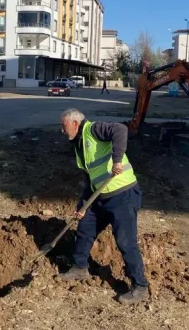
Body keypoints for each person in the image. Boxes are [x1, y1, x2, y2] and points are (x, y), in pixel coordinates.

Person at [58, 108, 148, 304]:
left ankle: (140, 287)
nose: (62, 131)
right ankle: (80, 267)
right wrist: (83, 205)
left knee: (125, 241)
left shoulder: (93, 130)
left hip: (122, 194)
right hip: (99, 196)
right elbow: (91, 178)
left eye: (64, 126)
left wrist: (117, 160)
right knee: (85, 228)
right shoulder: (79, 145)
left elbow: (121, 130)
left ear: (75, 123)